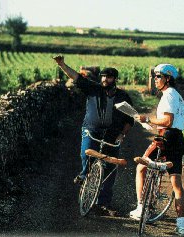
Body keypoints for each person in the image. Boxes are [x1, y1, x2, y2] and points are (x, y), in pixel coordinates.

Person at [53, 55, 134, 216]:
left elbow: (130, 119)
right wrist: (62, 64)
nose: (105, 79)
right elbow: (75, 76)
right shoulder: (93, 89)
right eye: (103, 76)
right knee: (87, 153)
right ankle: (84, 174)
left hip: (112, 136)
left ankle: (103, 203)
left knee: (111, 168)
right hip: (92, 130)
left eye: (108, 77)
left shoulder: (123, 97)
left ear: (115, 79)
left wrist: (122, 135)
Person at [130, 64, 184, 236]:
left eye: (158, 76)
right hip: (178, 139)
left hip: (166, 137)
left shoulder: (168, 95)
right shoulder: (176, 95)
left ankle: (140, 207)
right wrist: (150, 123)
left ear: (167, 78)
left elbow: (167, 121)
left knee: (141, 167)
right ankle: (181, 226)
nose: (155, 79)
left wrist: (146, 118)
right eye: (154, 76)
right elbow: (171, 122)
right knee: (176, 183)